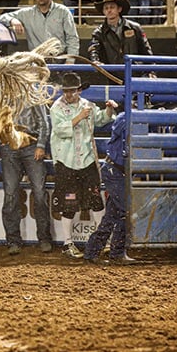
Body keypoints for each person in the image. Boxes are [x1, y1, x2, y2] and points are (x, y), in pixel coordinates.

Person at [50, 72, 117, 258]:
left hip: (86, 160)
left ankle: (104, 240)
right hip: (66, 162)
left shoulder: (88, 106)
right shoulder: (57, 108)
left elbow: (102, 119)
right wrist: (79, 117)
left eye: (72, 91)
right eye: (66, 91)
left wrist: (109, 110)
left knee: (96, 201)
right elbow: (60, 130)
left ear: (79, 90)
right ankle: (68, 243)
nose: (68, 94)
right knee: (69, 205)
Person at [0, 98, 52, 255]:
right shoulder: (3, 98)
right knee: (10, 194)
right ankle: (13, 240)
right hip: (10, 145)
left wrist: (41, 145)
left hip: (30, 144)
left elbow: (44, 123)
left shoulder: (33, 97)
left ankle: (44, 238)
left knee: (39, 192)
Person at [82, 110, 135, 264]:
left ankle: (93, 251)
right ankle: (116, 252)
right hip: (115, 171)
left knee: (114, 213)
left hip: (117, 171)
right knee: (124, 210)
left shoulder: (126, 117)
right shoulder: (124, 117)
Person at [0, 0, 79, 55]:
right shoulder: (27, 13)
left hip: (60, 58)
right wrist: (13, 20)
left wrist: (70, 61)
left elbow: (72, 38)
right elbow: (1, 18)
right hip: (37, 60)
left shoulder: (63, 11)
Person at [88, 0, 154, 65]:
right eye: (106, 8)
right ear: (103, 12)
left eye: (112, 7)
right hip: (111, 74)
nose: (109, 10)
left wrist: (151, 71)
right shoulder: (98, 33)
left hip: (134, 72)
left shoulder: (135, 28)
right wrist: (95, 61)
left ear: (119, 9)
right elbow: (94, 50)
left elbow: (146, 50)